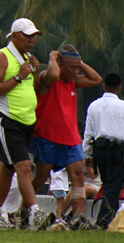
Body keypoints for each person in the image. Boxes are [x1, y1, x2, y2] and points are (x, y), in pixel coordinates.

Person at [30, 45, 102, 230]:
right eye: (72, 67)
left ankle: (77, 217)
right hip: (47, 136)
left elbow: (96, 79)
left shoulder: (72, 81)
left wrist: (78, 63)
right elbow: (53, 74)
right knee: (40, 177)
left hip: (70, 139)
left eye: (77, 68)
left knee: (78, 176)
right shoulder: (47, 78)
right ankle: (24, 209)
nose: (76, 71)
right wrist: (53, 57)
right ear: (60, 64)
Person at [0, 17, 44, 230]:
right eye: (27, 36)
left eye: (34, 36)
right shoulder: (2, 56)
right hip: (8, 119)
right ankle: (35, 212)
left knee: (7, 169)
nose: (32, 40)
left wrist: (33, 73)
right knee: (24, 167)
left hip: (28, 120)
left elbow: (31, 89)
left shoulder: (27, 57)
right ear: (15, 35)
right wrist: (19, 76)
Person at [83, 72, 124, 229]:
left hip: (99, 150)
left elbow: (88, 133)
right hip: (118, 150)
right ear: (119, 88)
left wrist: (87, 154)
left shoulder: (94, 106)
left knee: (108, 183)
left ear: (104, 86)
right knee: (113, 186)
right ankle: (103, 221)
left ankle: (105, 220)